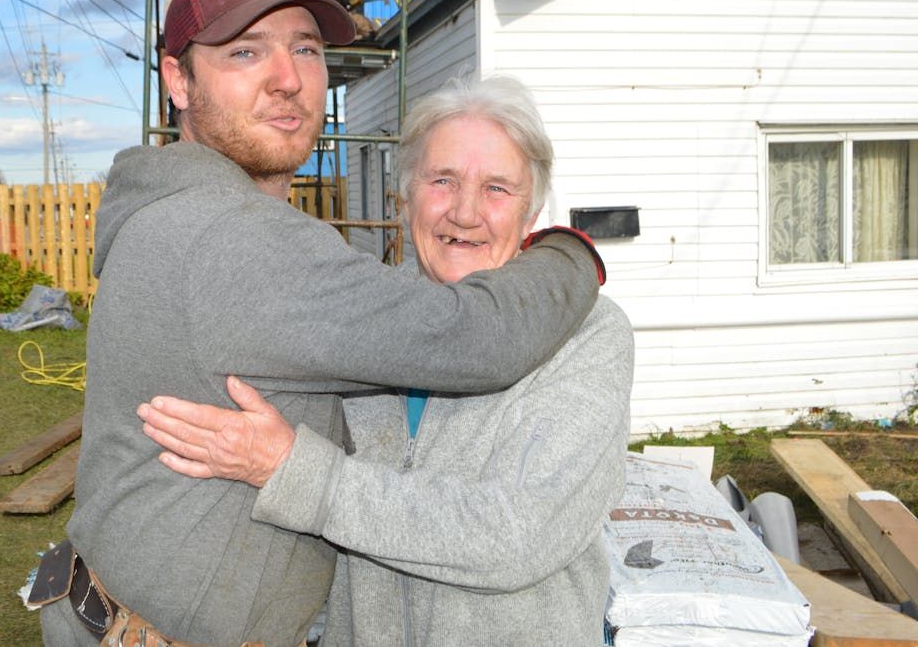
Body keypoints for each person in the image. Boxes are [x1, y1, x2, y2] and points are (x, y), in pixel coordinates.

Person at [33, 0, 604, 647]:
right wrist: (573, 250)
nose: (287, 79)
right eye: (245, 53)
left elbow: (515, 527)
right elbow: (481, 338)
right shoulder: (235, 240)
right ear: (177, 80)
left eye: (305, 48)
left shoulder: (201, 220)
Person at [138, 75, 635, 645]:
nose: (466, 212)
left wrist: (292, 472)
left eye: (497, 188)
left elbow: (517, 534)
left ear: (532, 213)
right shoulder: (358, 320)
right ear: (405, 198)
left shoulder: (589, 335)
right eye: (442, 180)